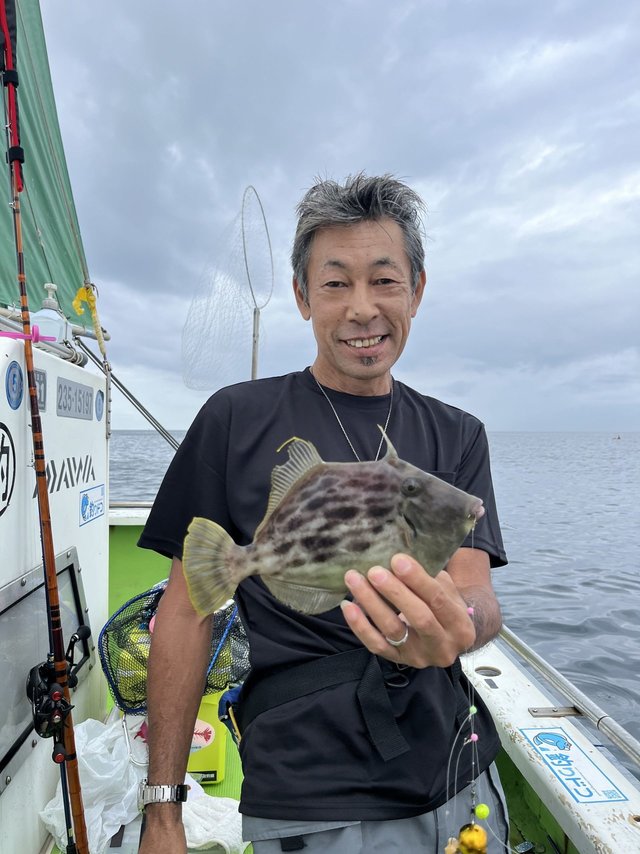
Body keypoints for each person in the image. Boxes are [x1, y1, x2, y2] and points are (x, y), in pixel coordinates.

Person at [138, 174, 509, 854]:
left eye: (385, 281)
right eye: (336, 284)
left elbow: (476, 590)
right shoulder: (235, 419)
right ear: (303, 297)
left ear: (417, 292)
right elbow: (187, 614)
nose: (363, 309)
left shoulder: (459, 434)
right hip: (308, 796)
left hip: (458, 773)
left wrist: (459, 627)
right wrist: (163, 811)